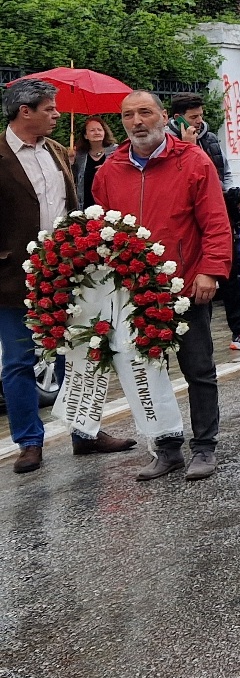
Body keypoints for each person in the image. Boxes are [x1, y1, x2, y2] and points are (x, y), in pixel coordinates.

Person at [94, 90, 234, 481]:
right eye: (127, 116)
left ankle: (204, 447)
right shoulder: (109, 170)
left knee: (198, 368)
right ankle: (167, 448)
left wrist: (210, 270)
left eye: (144, 113)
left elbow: (215, 221)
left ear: (162, 117)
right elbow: (102, 231)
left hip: (186, 286)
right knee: (148, 372)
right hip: (134, 292)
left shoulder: (192, 161)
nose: (136, 122)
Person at [2, 80, 137, 473]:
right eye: (49, 109)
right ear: (24, 111)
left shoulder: (60, 152)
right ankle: (29, 442)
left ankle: (86, 432)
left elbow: (71, 208)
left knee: (79, 351)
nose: (58, 115)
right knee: (18, 360)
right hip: (11, 276)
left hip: (65, 270)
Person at [169, 94, 240, 354]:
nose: (198, 121)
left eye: (200, 115)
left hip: (218, 213)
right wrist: (190, 148)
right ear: (177, 118)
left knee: (230, 270)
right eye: (192, 117)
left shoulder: (209, 138)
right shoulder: (168, 144)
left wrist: (232, 193)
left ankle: (239, 329)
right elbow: (182, 180)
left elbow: (224, 171)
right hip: (186, 221)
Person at [72, 115, 119, 202]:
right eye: (92, 130)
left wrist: (109, 169)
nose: (97, 132)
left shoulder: (116, 152)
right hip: (86, 205)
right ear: (86, 136)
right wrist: (70, 162)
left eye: (100, 129)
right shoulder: (79, 155)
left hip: (110, 205)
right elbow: (72, 180)